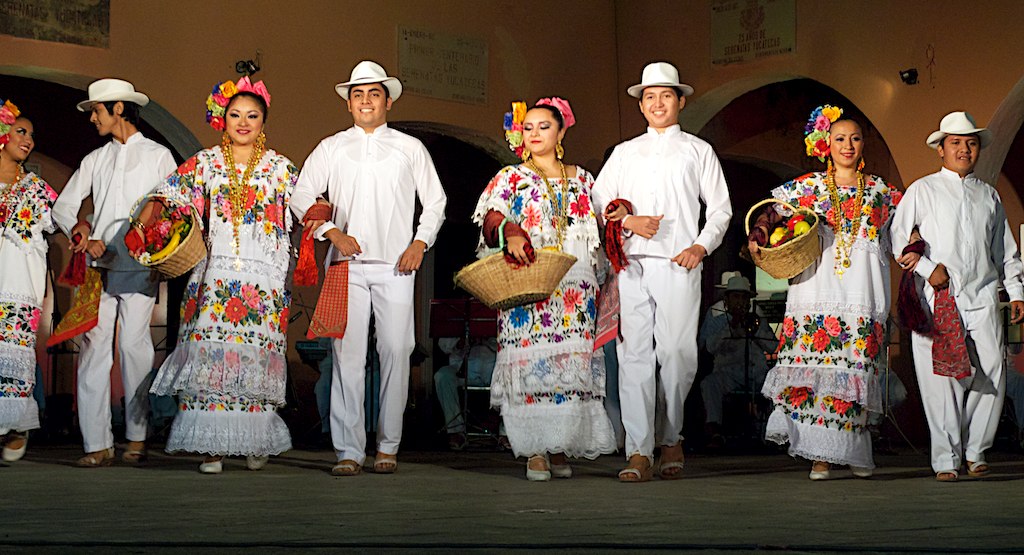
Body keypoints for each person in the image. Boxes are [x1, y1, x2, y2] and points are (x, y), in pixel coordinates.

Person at [291, 60, 447, 476]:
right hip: (345, 264)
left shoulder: (409, 147)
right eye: (358, 94)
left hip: (397, 263)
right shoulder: (331, 146)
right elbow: (300, 194)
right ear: (348, 103)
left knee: (397, 349)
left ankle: (389, 445)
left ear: (388, 100)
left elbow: (435, 202)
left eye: (373, 94)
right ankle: (348, 449)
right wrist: (330, 231)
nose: (365, 101)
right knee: (347, 355)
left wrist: (420, 241)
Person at [135, 77, 296, 473]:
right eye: (235, 115)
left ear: (264, 121)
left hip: (265, 278)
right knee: (211, 353)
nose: (243, 122)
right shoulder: (205, 163)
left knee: (255, 358)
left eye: (252, 116)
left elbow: (308, 205)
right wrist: (143, 222)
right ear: (222, 119)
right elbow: (167, 196)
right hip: (215, 272)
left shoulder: (280, 168)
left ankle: (256, 440)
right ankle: (213, 448)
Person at [592, 61, 732, 481]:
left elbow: (721, 209)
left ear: (680, 101)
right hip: (632, 264)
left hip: (678, 263)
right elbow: (599, 202)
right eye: (649, 96)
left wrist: (700, 246)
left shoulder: (697, 150)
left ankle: (671, 434)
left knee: (676, 352)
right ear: (640, 104)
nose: (657, 103)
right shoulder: (624, 152)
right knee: (634, 355)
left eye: (665, 95)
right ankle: (639, 450)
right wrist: (627, 222)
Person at [748, 105, 901, 480]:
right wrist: (758, 236)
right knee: (819, 369)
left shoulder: (882, 192)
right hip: (817, 289)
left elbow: (908, 228)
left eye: (855, 138)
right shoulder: (809, 187)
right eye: (839, 138)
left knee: (855, 369)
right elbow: (771, 214)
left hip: (863, 294)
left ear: (863, 144)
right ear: (826, 144)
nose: (847, 145)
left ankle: (854, 451)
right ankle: (820, 455)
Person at [473, 97, 616, 480]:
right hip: (529, 283)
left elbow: (603, 220)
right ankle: (534, 449)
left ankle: (560, 445)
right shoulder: (510, 177)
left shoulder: (583, 178)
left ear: (561, 131)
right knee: (531, 366)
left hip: (576, 290)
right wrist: (510, 232)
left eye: (544, 126)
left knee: (569, 368)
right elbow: (491, 217)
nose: (535, 134)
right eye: (528, 127)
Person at [890, 111, 1024, 482]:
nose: (964, 149)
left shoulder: (989, 195)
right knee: (940, 380)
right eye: (956, 143)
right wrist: (925, 268)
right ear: (941, 149)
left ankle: (976, 450)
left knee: (993, 370)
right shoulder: (923, 189)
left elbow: (1004, 249)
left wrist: (1015, 291)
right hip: (938, 297)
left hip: (982, 294)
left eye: (970, 142)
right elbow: (897, 238)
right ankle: (946, 459)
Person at [52, 79, 176, 467]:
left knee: (133, 347)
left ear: (118, 109)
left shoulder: (158, 156)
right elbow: (64, 207)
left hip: (140, 266)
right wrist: (81, 231)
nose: (92, 118)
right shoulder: (95, 159)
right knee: (93, 350)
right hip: (97, 266)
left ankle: (137, 436)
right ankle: (97, 442)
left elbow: (175, 206)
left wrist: (150, 235)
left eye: (97, 110)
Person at [0, 100, 57, 462]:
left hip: (19, 286)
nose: (29, 140)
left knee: (15, 358)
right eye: (21, 131)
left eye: (32, 135)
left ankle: (17, 428)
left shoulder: (37, 189)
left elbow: (63, 221)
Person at [698, 275, 775, 445]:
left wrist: (755, 331)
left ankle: (769, 434)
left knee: (774, 385)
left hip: (756, 370)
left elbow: (772, 347)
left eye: (744, 297)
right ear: (727, 299)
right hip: (728, 372)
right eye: (736, 297)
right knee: (709, 384)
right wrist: (730, 327)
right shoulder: (716, 316)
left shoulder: (757, 315)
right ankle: (714, 431)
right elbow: (709, 347)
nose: (740, 301)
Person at [433, 336, 498, 450]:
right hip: (462, 369)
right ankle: (456, 430)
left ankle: (506, 433)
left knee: (513, 376)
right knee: (443, 376)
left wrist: (488, 338)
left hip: (494, 371)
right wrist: (458, 343)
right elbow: (443, 344)